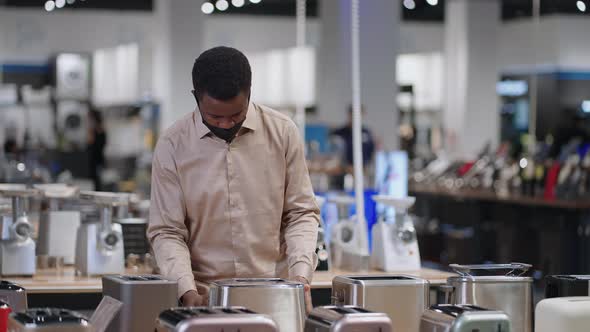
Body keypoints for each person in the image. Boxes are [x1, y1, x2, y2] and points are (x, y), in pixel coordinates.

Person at [147, 46, 319, 310]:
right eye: (215, 116)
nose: (226, 123)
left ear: (249, 93)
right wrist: (187, 291)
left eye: (236, 114)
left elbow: (301, 213)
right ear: (196, 98)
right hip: (205, 300)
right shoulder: (173, 145)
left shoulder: (283, 133)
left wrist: (300, 275)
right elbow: (167, 231)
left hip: (277, 296)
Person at [87, 109, 107, 191]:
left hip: (96, 160)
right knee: (96, 180)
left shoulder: (97, 131)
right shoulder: (98, 130)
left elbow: (92, 143)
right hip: (96, 160)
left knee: (97, 181)